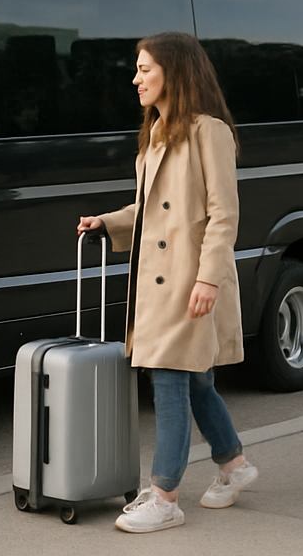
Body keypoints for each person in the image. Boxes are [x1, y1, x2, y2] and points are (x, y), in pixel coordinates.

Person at [77, 31, 256, 534]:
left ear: (173, 72)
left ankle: (164, 496)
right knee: (196, 381)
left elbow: (224, 215)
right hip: (161, 285)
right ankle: (234, 466)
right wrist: (108, 222)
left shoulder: (209, 131)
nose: (135, 78)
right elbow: (150, 212)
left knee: (171, 382)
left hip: (188, 283)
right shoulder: (155, 136)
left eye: (144, 68)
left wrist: (208, 279)